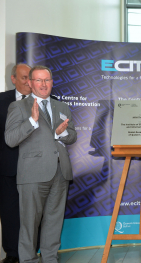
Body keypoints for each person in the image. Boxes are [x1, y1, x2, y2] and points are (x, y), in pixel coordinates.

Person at [5, 65, 77, 263]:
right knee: (29, 223)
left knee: (54, 222)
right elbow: (10, 139)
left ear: (52, 82)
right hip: (32, 174)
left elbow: (72, 136)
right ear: (30, 82)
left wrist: (62, 133)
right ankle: (28, 260)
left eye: (47, 80)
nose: (44, 84)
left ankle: (50, 259)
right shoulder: (18, 107)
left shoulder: (61, 106)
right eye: (39, 80)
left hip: (60, 172)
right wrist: (32, 121)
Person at [0, 63, 31, 263]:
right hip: (7, 167)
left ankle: (31, 251)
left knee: (33, 212)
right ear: (13, 79)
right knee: (9, 212)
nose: (29, 82)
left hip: (35, 168)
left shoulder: (44, 100)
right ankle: (12, 254)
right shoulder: (1, 100)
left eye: (31, 77)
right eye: (23, 78)